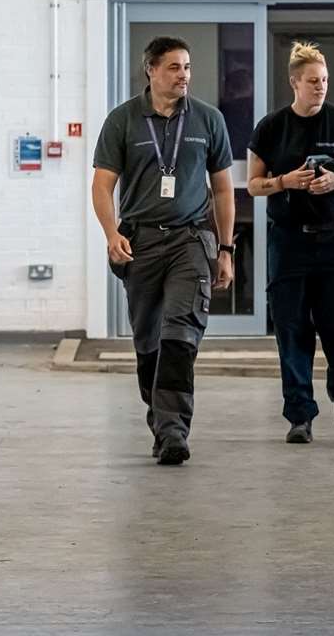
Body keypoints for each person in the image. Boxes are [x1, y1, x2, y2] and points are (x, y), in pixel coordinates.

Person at [91, 36, 236, 467]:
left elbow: (224, 189)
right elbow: (102, 185)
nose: (184, 75)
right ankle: (160, 414)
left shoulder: (208, 120)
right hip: (141, 242)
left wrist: (225, 248)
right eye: (174, 67)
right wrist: (110, 232)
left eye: (187, 67)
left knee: (181, 331)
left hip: (191, 239)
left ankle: (174, 430)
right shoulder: (123, 121)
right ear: (151, 70)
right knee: (149, 340)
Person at [247, 42, 334, 444]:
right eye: (312, 81)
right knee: (291, 328)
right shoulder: (272, 127)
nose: (320, 87)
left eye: (324, 80)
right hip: (290, 242)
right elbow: (253, 185)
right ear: (294, 83)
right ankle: (300, 414)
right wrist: (284, 182)